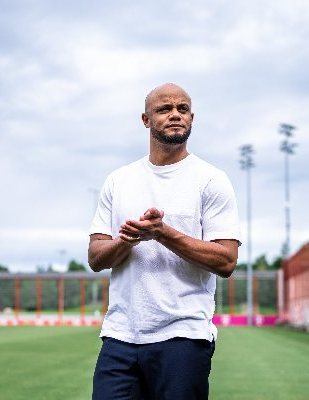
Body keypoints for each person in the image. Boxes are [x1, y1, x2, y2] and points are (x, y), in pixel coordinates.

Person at [88, 83, 240, 400]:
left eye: (182, 109)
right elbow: (95, 257)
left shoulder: (211, 180)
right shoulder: (118, 180)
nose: (175, 114)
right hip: (120, 335)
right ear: (146, 120)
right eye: (164, 109)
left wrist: (162, 232)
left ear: (191, 118)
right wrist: (127, 240)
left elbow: (226, 260)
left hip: (183, 336)